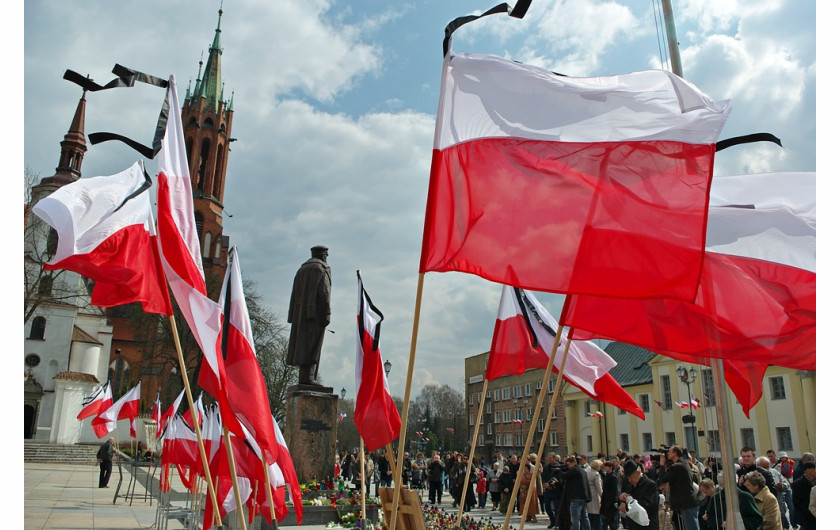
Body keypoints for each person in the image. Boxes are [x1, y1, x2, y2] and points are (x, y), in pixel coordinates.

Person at [287, 245, 331, 386]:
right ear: (322, 254)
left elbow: (294, 294)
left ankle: (304, 378)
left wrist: (292, 315)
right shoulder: (321, 269)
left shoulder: (301, 270)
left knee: (302, 346)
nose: (327, 257)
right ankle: (310, 377)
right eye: (326, 254)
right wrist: (327, 313)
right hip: (315, 314)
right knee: (313, 345)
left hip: (300, 315)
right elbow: (324, 293)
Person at [657, 445, 700, 530]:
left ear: (675, 453)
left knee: (691, 527)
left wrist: (662, 465)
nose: (667, 453)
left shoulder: (677, 466)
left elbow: (664, 479)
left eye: (669, 451)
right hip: (688, 501)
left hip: (686, 502)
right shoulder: (683, 463)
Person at [618, 460, 659, 530]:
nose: (629, 480)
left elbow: (647, 506)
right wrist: (621, 501)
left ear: (638, 473)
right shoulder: (629, 486)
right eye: (628, 478)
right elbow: (623, 503)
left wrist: (628, 503)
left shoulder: (650, 485)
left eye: (630, 477)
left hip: (647, 526)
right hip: (633, 525)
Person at [757, 456, 791, 529]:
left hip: (778, 504)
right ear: (758, 466)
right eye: (764, 467)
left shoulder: (774, 472)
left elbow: (786, 484)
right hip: (764, 507)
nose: (767, 469)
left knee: (784, 525)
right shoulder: (756, 475)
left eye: (768, 466)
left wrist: (781, 486)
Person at [562, 455, 592, 530]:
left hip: (576, 498)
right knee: (585, 517)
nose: (567, 466)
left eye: (568, 464)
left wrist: (559, 471)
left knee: (575, 519)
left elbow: (564, 476)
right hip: (583, 497)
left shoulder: (575, 470)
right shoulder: (581, 470)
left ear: (573, 463)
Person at [791, 461, 815, 530]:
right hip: (807, 518)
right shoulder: (798, 484)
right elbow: (797, 503)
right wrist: (808, 513)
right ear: (809, 470)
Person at [544, 452, 563, 528]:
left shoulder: (558, 466)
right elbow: (544, 477)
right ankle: (553, 520)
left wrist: (552, 484)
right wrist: (545, 484)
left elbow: (559, 478)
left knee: (557, 507)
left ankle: (558, 521)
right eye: (548, 457)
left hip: (555, 490)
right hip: (547, 490)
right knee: (547, 507)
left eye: (550, 457)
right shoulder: (546, 467)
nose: (549, 459)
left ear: (554, 458)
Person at [600, 460, 620, 530]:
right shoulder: (607, 475)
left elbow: (614, 491)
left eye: (606, 466)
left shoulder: (613, 477)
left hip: (611, 501)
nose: (605, 468)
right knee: (606, 519)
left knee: (611, 519)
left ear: (610, 467)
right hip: (605, 499)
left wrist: (611, 501)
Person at [519, 457, 539, 523]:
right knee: (524, 504)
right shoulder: (523, 475)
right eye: (524, 468)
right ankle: (528, 516)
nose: (525, 469)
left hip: (531, 490)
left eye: (526, 468)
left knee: (531, 504)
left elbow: (531, 482)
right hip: (524, 491)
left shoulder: (531, 475)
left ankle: (534, 517)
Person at [586, 459, 604, 530]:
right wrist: (603, 496)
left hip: (588, 495)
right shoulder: (596, 474)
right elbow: (599, 488)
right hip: (595, 496)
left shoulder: (587, 471)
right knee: (597, 516)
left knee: (589, 516)